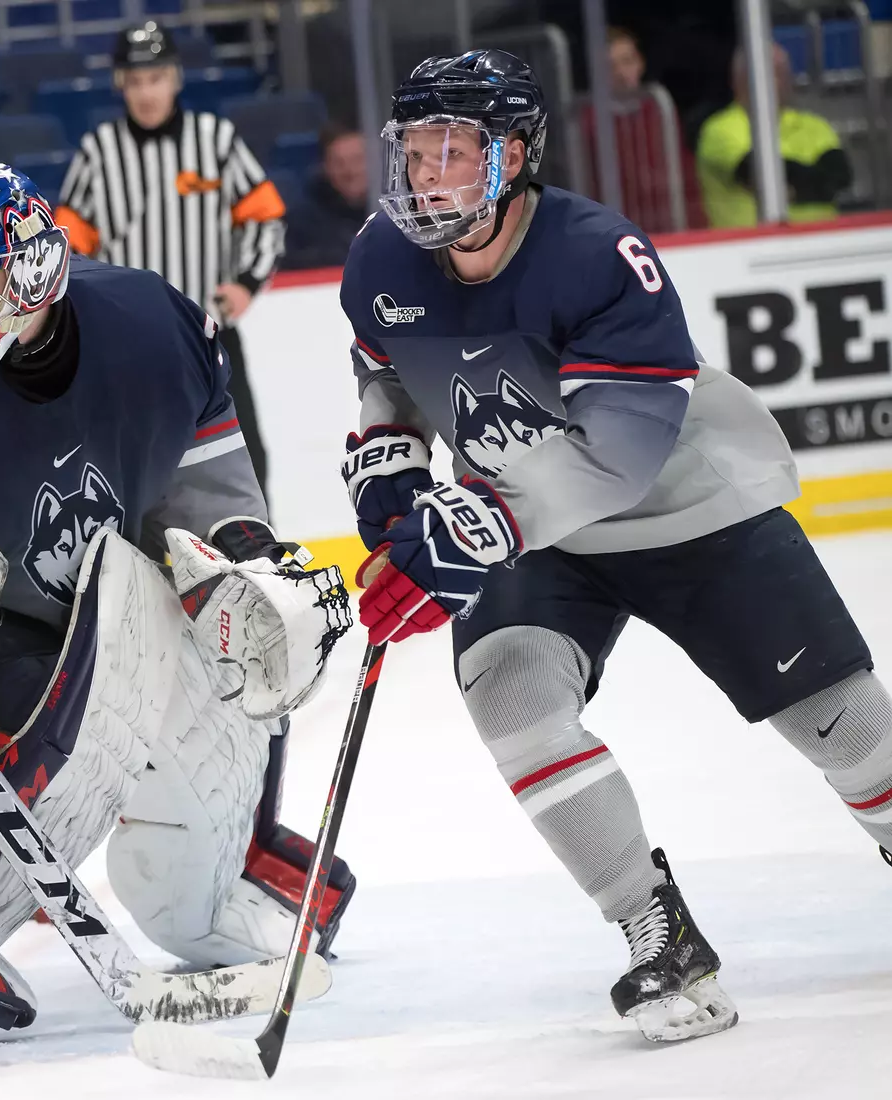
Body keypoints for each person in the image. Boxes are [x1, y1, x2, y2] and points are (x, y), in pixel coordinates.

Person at [338, 49, 892, 1045]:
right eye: (416, 151)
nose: (427, 175)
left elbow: (619, 457)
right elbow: (386, 380)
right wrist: (392, 494)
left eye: (453, 151)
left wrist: (477, 523)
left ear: (512, 157)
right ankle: (656, 926)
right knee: (509, 694)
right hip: (537, 538)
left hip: (690, 511)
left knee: (847, 732)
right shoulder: (382, 259)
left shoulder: (598, 253)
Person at [0, 161, 354, 1048]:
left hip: (129, 590)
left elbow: (206, 460)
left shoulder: (151, 323)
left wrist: (240, 552)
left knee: (236, 666)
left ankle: (252, 862)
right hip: (5, 623)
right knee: (57, 730)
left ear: (32, 274)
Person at [56, 20, 284, 496]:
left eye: (155, 78)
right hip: (127, 345)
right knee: (134, 465)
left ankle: (256, 562)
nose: (146, 92)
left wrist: (246, 281)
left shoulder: (215, 141)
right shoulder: (99, 153)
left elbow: (265, 215)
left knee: (241, 459)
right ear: (121, 84)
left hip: (210, 336)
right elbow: (68, 248)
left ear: (176, 77)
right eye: (135, 81)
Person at [696, 43, 851, 227]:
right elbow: (760, 177)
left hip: (826, 243)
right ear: (740, 79)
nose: (784, 80)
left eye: (785, 72)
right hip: (749, 248)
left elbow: (840, 178)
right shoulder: (719, 129)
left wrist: (793, 187)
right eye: (773, 72)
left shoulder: (814, 125)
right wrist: (815, 185)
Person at [577, 27, 707, 233]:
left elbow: (684, 176)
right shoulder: (587, 122)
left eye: (627, 61)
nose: (621, 73)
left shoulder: (660, 109)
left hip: (671, 229)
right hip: (617, 235)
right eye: (610, 66)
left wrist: (696, 226)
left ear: (641, 63)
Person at [282, 123, 370, 270]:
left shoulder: (399, 213)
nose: (350, 171)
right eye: (338, 163)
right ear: (325, 168)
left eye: (357, 160)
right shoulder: (301, 225)